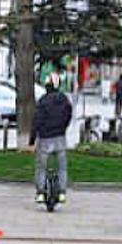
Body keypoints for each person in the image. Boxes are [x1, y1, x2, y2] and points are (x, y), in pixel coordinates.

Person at [31, 74, 73, 205]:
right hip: (60, 137)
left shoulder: (43, 101)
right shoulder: (64, 99)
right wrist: (63, 128)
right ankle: (61, 193)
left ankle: (41, 193)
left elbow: (36, 121)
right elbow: (68, 115)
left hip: (45, 139)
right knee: (62, 167)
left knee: (41, 167)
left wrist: (32, 141)